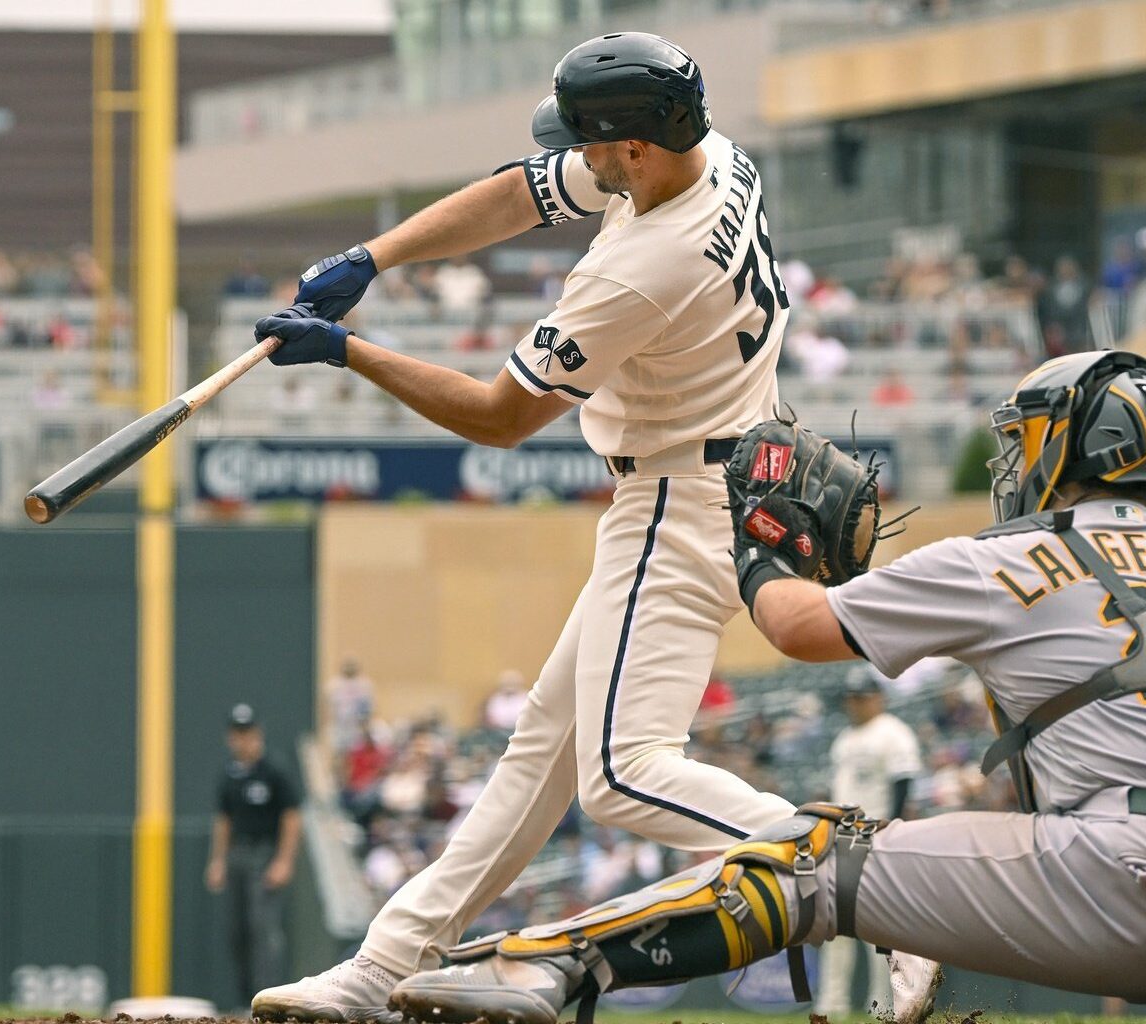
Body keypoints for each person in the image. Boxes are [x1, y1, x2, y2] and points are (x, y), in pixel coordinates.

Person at [387, 350, 1146, 1024]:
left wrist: (758, 533)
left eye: (1028, 435)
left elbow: (798, 629)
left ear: (1065, 447)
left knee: (814, 860)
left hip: (1129, 880)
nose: (1015, 456)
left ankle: (549, 965)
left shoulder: (1003, 556)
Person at [248, 32, 940, 1022]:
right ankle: (379, 968)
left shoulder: (649, 263)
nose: (581, 158)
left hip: (678, 494)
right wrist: (374, 255)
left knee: (619, 774)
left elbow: (499, 416)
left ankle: (882, 887)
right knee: (542, 755)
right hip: (718, 475)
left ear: (637, 146)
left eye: (593, 143)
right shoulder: (707, 154)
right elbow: (517, 192)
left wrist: (350, 351)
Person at [816, 670, 922, 1019]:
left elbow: (903, 783)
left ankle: (881, 1006)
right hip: (839, 839)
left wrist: (888, 833)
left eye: (860, 696)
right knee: (836, 930)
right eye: (851, 697)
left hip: (873, 836)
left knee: (877, 932)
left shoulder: (893, 732)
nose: (855, 703)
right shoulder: (844, 738)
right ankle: (831, 1003)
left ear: (877, 697)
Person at [206, 704, 303, 1006]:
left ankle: (269, 999)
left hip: (265, 854)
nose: (242, 739)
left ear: (257, 734)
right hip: (237, 855)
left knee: (264, 930)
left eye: (247, 733)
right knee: (238, 932)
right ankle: (243, 999)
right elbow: (223, 820)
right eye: (237, 733)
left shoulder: (274, 770)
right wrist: (218, 860)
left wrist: (284, 860)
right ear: (229, 737)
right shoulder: (229, 774)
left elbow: (292, 816)